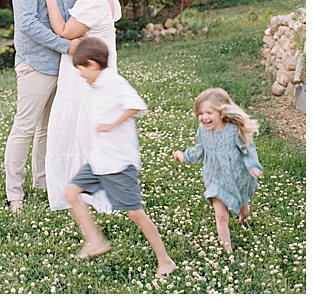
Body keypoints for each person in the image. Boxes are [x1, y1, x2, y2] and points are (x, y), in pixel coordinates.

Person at [63, 38, 176, 278]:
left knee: (135, 213)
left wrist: (111, 125)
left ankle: (165, 260)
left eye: (81, 69)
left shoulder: (114, 82)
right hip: (98, 160)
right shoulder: (94, 87)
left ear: (92, 64)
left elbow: (137, 105)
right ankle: (95, 241)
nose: (80, 75)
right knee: (70, 192)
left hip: (118, 162)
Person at [4, 0, 84, 212]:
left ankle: (42, 181)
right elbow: (26, 24)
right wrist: (65, 46)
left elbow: (77, 13)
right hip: (35, 64)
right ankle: (15, 194)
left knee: (48, 128)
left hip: (65, 66)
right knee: (25, 128)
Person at [39, 0, 122, 212]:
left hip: (81, 75)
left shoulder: (93, 3)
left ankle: (76, 192)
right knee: (88, 131)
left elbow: (63, 31)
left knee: (73, 131)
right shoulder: (110, 0)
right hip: (100, 74)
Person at [174, 87, 263, 253]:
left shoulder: (233, 131)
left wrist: (252, 165)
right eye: (200, 113)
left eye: (209, 112)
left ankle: (243, 217)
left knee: (242, 209)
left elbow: (247, 148)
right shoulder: (203, 132)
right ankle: (227, 250)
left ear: (222, 113)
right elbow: (200, 151)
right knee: (221, 215)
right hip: (215, 178)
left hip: (237, 178)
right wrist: (184, 156)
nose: (204, 117)